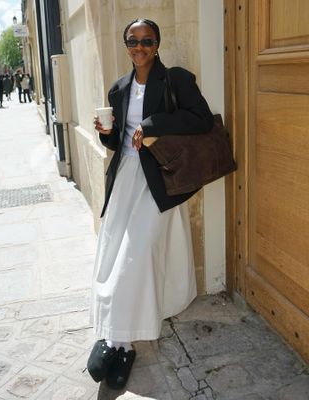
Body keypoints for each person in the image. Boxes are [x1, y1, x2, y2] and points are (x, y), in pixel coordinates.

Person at [88, 18, 214, 390]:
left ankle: (119, 342)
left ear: (157, 44)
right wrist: (108, 134)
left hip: (158, 180)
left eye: (146, 40)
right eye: (132, 41)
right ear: (126, 45)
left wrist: (153, 123)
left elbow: (201, 120)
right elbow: (116, 146)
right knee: (114, 255)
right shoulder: (119, 87)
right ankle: (120, 341)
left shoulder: (175, 79)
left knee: (136, 255)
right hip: (125, 178)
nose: (139, 47)